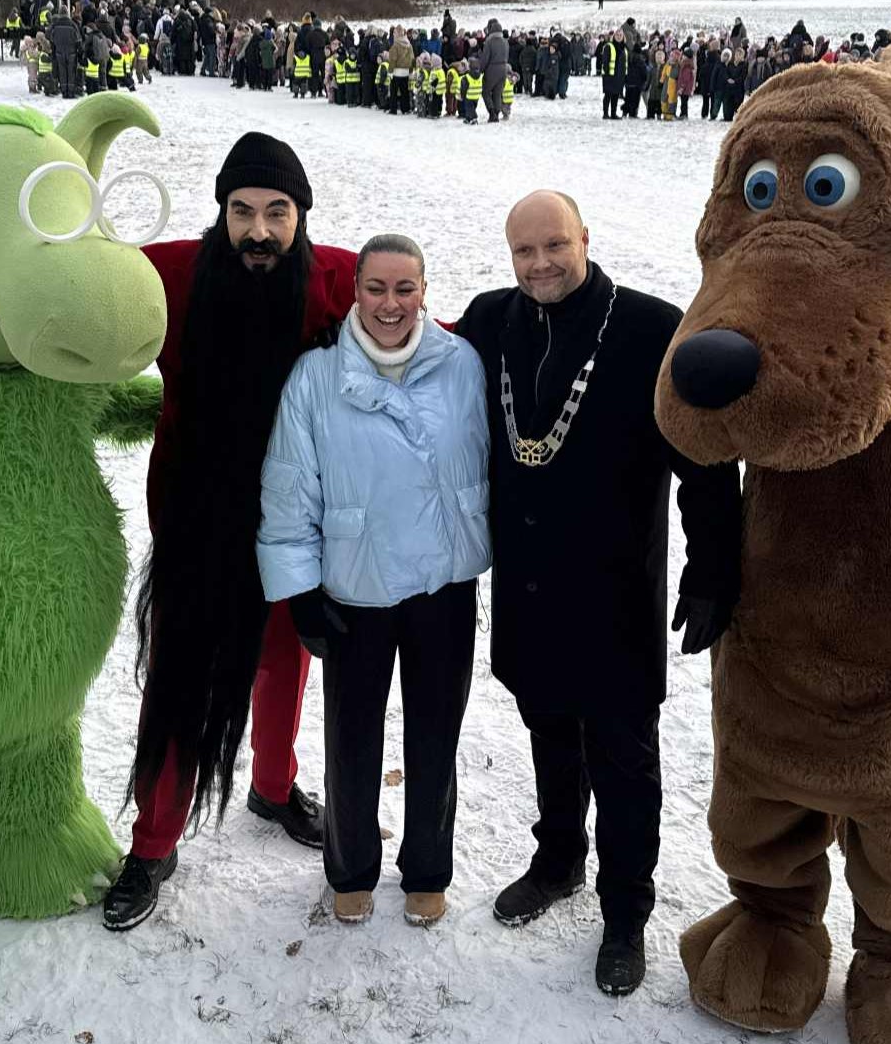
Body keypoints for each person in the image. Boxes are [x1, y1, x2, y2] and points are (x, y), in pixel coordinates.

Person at [453, 192, 742, 997]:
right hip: (528, 585)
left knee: (621, 757)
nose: (539, 263)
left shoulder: (651, 328)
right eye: (523, 251)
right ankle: (556, 862)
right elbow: (419, 378)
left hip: (614, 588)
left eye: (554, 245)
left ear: (585, 238)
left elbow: (705, 454)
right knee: (548, 730)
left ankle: (625, 911)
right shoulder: (490, 321)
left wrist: (713, 563)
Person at [104, 134, 361, 932]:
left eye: (276, 213)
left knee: (285, 661)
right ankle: (153, 842)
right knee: (181, 682)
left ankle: (274, 787)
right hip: (197, 521)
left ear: (300, 217)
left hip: (295, 525)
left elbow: (415, 323)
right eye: (242, 211)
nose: (258, 230)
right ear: (221, 213)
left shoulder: (333, 281)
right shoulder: (171, 273)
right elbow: (76, 289)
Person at [258, 234, 490, 927]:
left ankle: (427, 867)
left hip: (443, 583)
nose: (392, 304)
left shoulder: (462, 365)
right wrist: (301, 590)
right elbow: (290, 488)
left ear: (425, 290)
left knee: (434, 734)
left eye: (406, 288)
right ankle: (350, 865)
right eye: (377, 288)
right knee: (353, 737)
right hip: (354, 584)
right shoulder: (316, 378)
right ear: (355, 290)